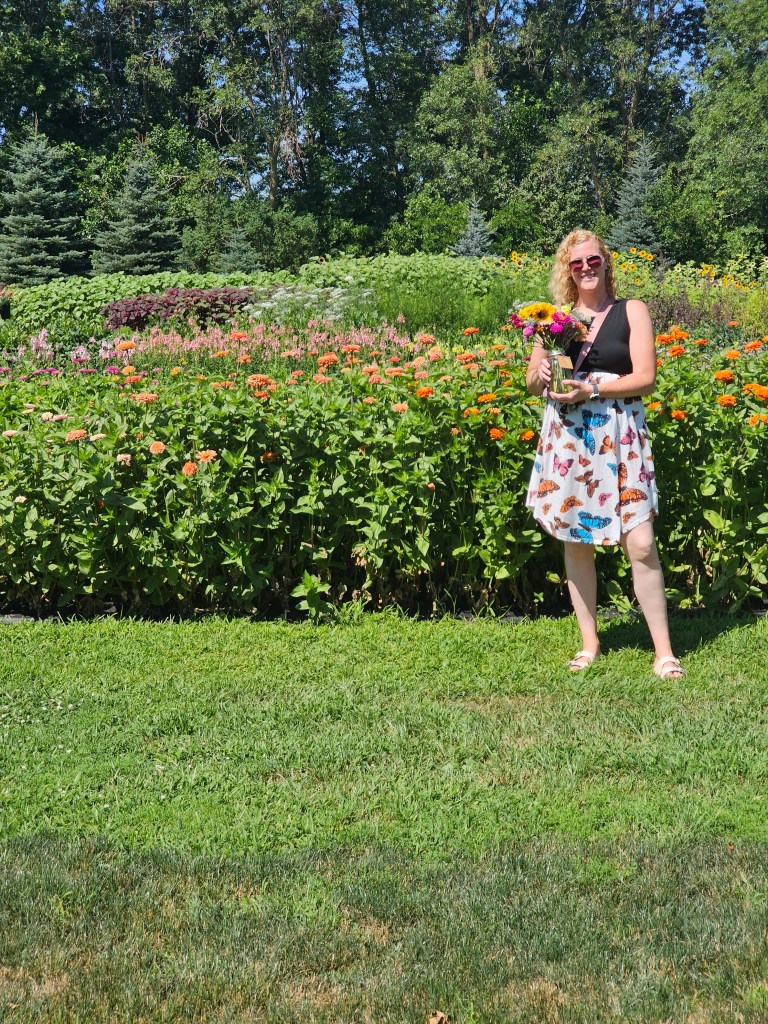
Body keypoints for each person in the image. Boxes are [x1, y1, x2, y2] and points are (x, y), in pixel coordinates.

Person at [525, 229, 684, 679]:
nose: (585, 268)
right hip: (570, 439)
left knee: (642, 542)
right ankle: (589, 643)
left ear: (606, 262)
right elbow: (532, 384)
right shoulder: (552, 319)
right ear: (567, 269)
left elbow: (646, 378)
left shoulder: (631, 310)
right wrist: (541, 372)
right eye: (576, 263)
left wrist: (591, 388)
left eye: (593, 260)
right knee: (576, 541)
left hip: (620, 434)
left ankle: (664, 652)